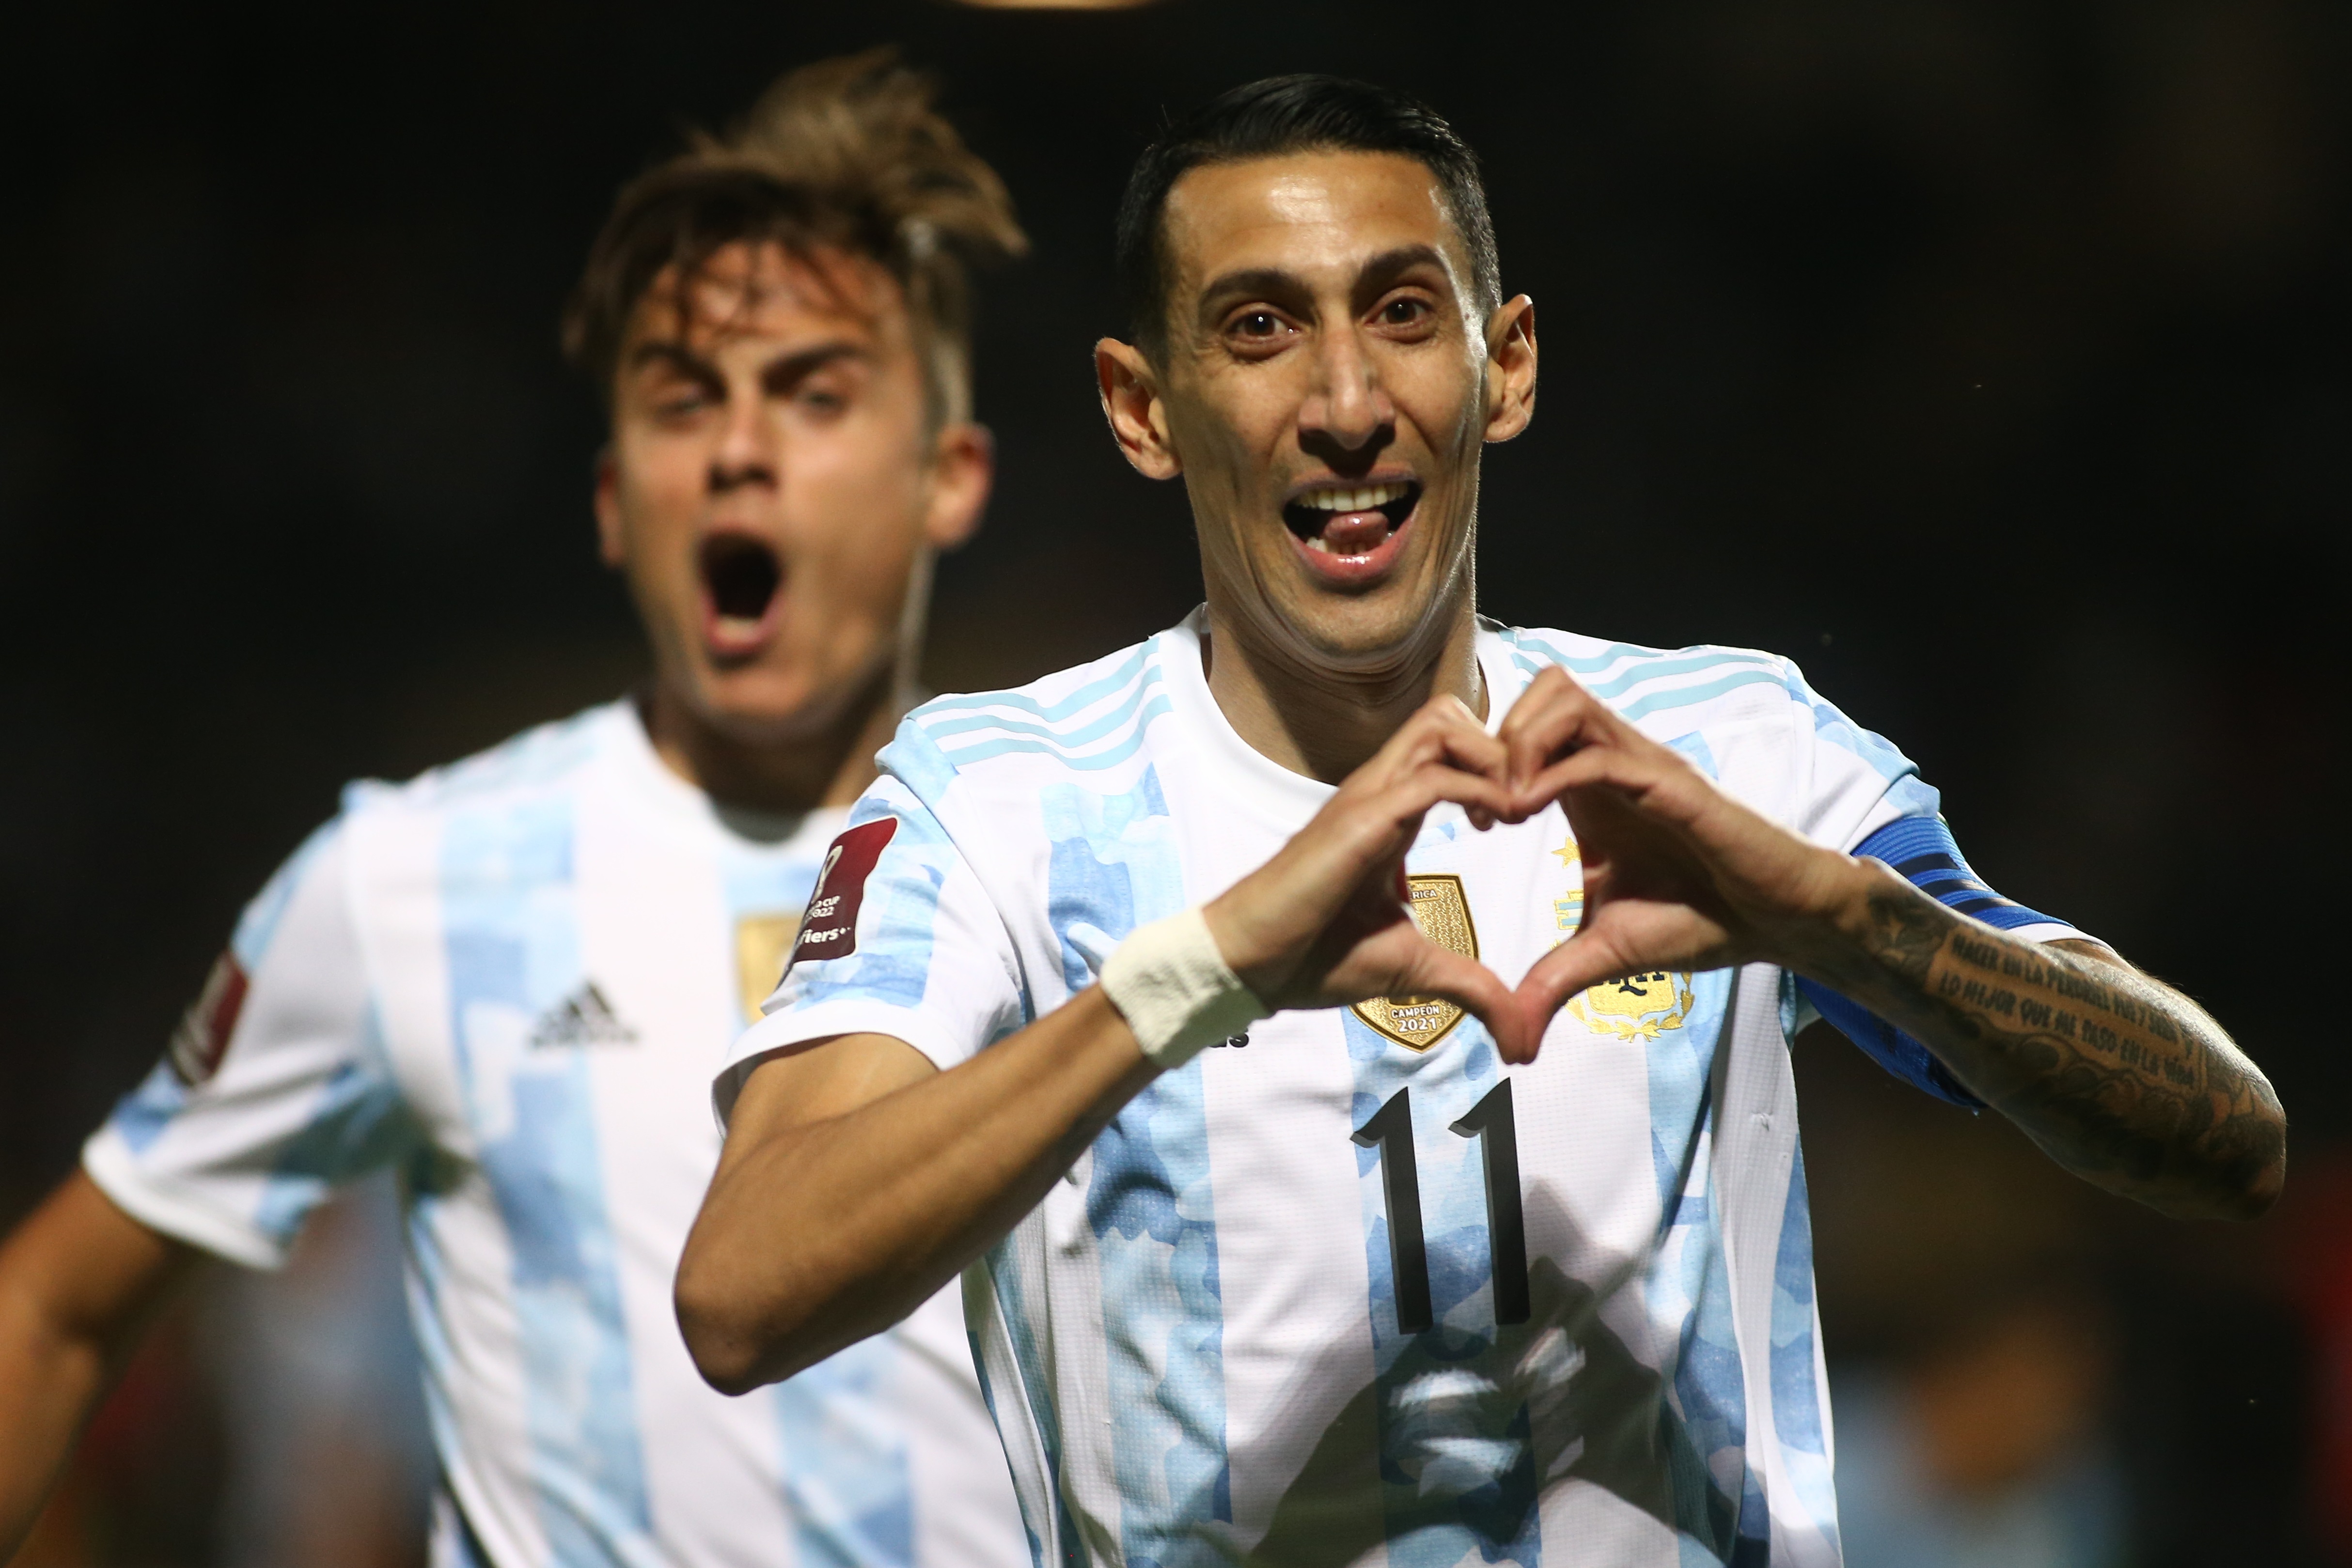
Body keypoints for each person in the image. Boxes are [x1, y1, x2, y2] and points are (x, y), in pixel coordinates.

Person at [674, 73, 2287, 1568]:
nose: (1348, 400)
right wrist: (1192, 977)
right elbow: (745, 1291)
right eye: (1257, 328)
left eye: (1401, 312)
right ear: (1141, 407)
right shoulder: (1001, 800)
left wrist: (1849, 926)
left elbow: (2229, 1142)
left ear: (1505, 362)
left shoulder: (1735, 746)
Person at [0, 49, 1031, 1568]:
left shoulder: (1074, 850)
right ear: (617, 500)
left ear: (947, 477)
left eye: (815, 393)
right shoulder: (417, 880)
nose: (741, 448)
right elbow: (53, 1306)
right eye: (686, 400)